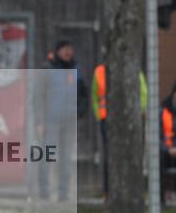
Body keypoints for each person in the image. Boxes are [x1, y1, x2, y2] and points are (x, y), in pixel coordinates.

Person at [35, 41, 87, 201]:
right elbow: (38, 96)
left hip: (69, 122)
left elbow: (84, 94)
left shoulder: (76, 69)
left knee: (66, 158)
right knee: (47, 156)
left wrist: (79, 112)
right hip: (50, 122)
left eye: (70, 49)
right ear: (58, 51)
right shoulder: (47, 69)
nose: (68, 52)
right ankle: (44, 192)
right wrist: (39, 121)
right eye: (65, 49)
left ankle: (63, 194)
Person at [91, 62, 147, 194]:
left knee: (129, 154)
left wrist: (137, 114)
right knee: (110, 155)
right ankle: (109, 190)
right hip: (107, 120)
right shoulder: (99, 71)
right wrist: (99, 116)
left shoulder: (132, 67)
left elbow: (143, 93)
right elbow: (95, 96)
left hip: (128, 120)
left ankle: (131, 188)